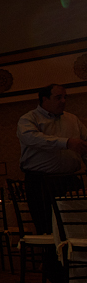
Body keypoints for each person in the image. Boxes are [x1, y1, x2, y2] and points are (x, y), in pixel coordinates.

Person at [17, 84, 87, 234]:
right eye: (58, 97)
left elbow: (84, 146)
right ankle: (51, 257)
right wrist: (66, 142)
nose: (63, 101)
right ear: (45, 99)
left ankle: (75, 257)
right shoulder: (28, 119)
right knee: (47, 228)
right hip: (40, 182)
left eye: (65, 97)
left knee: (77, 226)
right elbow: (34, 139)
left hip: (70, 181)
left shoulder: (72, 119)